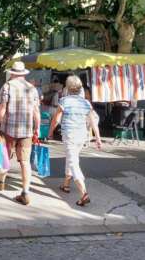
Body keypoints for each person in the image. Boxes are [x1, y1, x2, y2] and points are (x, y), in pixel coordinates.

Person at [49, 75, 102, 207]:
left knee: (73, 162)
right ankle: (66, 185)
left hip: (70, 135)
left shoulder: (64, 101)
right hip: (82, 136)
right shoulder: (86, 103)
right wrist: (98, 138)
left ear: (67, 87)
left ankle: (83, 193)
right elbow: (93, 122)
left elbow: (56, 119)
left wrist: (50, 132)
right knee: (72, 158)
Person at [0, 61, 40, 205]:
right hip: (26, 130)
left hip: (8, 129)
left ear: (12, 73)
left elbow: (2, 108)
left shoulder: (7, 86)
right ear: (23, 74)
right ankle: (25, 192)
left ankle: (1, 181)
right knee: (25, 162)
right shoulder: (32, 88)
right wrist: (37, 129)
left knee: (6, 155)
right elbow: (36, 111)